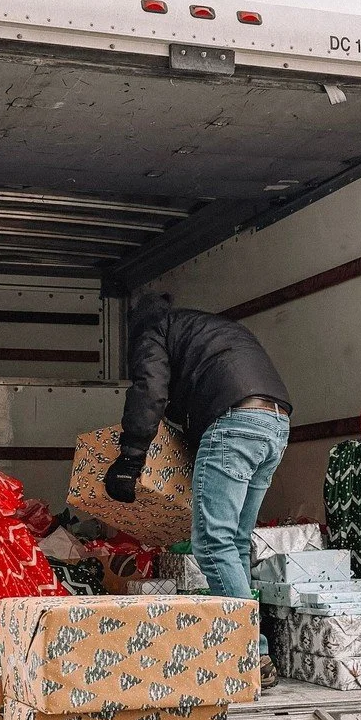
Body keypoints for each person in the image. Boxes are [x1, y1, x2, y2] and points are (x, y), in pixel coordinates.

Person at [105, 292, 292, 690]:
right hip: (275, 424)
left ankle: (250, 653)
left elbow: (150, 391)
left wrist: (130, 459)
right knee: (236, 542)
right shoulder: (207, 327)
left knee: (212, 543)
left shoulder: (152, 333)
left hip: (235, 422)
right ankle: (256, 649)